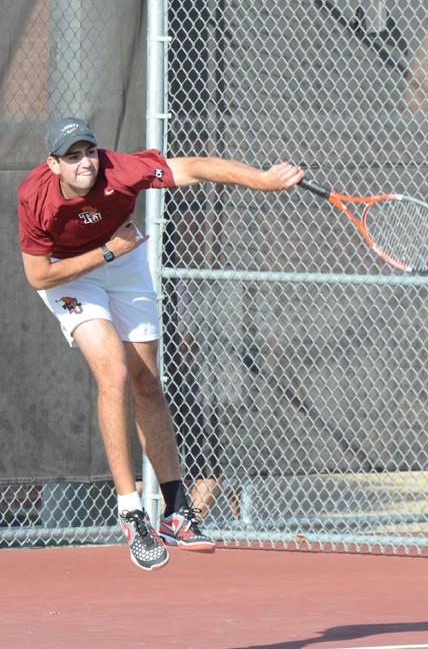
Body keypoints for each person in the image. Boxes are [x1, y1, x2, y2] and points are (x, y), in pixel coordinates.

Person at [17, 116, 304, 571]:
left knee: (146, 383)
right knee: (111, 372)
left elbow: (195, 167)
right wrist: (110, 251)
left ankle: (175, 512)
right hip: (70, 273)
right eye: (72, 157)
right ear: (54, 165)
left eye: (88, 151)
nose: (84, 163)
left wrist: (262, 181)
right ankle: (131, 511)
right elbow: (38, 275)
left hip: (124, 263)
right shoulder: (36, 197)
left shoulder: (121, 170)